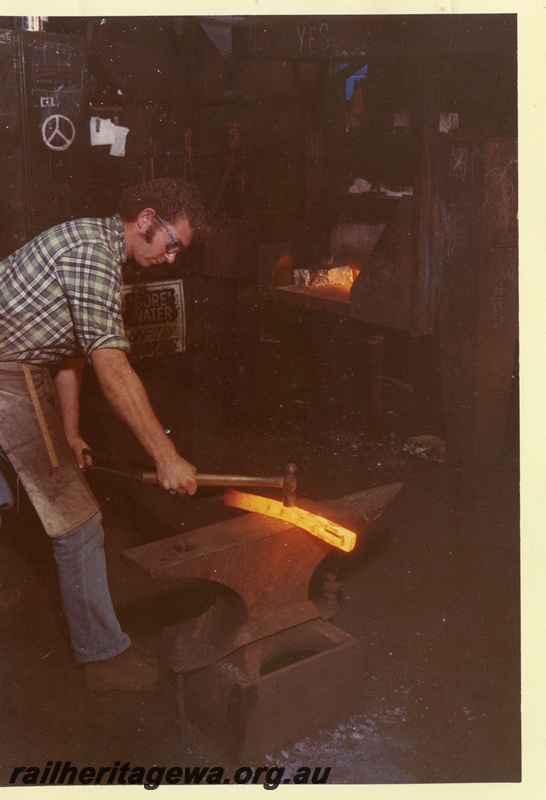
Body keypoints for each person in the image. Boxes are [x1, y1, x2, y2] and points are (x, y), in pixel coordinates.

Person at [0, 178, 208, 690]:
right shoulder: (92, 255)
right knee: (79, 521)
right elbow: (111, 366)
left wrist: (69, 431)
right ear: (146, 220)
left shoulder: (98, 247)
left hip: (19, 362)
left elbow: (68, 351)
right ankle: (102, 658)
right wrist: (166, 455)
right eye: (172, 244)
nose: (172, 258)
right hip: (6, 371)